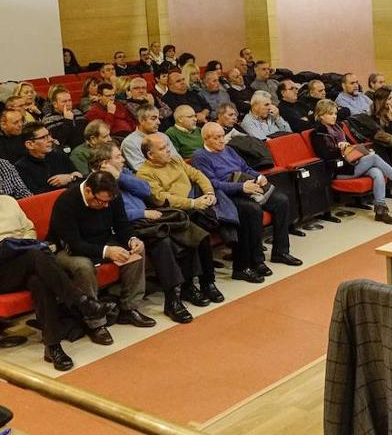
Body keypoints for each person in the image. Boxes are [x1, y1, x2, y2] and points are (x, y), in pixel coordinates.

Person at [0, 165, 111, 371]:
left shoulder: (9, 202)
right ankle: (80, 301)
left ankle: (53, 346)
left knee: (39, 280)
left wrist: (17, 246)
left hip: (22, 262)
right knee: (35, 255)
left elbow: (29, 229)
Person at [48, 172, 159, 333]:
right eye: (101, 201)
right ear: (88, 191)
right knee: (83, 267)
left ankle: (129, 308)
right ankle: (95, 322)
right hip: (68, 249)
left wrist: (131, 239)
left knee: (136, 254)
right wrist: (107, 251)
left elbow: (122, 225)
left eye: (109, 201)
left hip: (102, 240)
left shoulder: (112, 196)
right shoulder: (66, 201)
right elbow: (74, 244)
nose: (106, 206)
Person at [191, 121, 301, 280]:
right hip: (226, 195)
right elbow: (212, 183)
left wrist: (259, 176)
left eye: (222, 136)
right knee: (252, 210)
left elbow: (245, 168)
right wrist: (241, 187)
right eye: (217, 138)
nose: (222, 140)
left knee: (281, 200)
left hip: (246, 185)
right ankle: (251, 263)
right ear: (206, 139)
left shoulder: (229, 150)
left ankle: (281, 251)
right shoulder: (200, 156)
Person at [133, 135, 224, 310]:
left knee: (207, 226)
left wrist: (210, 193)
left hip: (194, 206)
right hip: (174, 214)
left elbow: (197, 175)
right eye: (162, 148)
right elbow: (161, 198)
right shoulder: (144, 173)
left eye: (167, 146)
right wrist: (193, 203)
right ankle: (194, 285)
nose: (168, 150)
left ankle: (207, 282)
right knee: (199, 235)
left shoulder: (175, 160)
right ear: (150, 155)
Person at [310, 99, 392, 224]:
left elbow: (351, 147)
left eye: (335, 113)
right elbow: (324, 155)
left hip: (351, 164)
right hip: (337, 169)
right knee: (373, 158)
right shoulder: (317, 133)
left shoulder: (338, 128)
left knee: (377, 172)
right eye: (330, 114)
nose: (334, 116)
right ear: (320, 115)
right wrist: (340, 149)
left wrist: (350, 148)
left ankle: (380, 210)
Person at [14, 122, 82, 195]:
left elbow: (80, 176)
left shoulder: (59, 156)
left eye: (49, 135)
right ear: (30, 144)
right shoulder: (21, 167)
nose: (51, 139)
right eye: (44, 137)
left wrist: (69, 178)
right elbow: (36, 195)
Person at [121, 105, 179, 170]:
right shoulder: (130, 143)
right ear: (141, 120)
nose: (159, 122)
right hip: (153, 179)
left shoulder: (163, 136)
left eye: (158, 118)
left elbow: (177, 160)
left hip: (174, 173)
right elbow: (141, 170)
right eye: (153, 119)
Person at [42, 85, 85, 150]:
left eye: (70, 100)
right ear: (55, 104)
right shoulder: (48, 119)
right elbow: (59, 141)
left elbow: (84, 134)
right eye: (64, 101)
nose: (68, 104)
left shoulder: (77, 112)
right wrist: (68, 121)